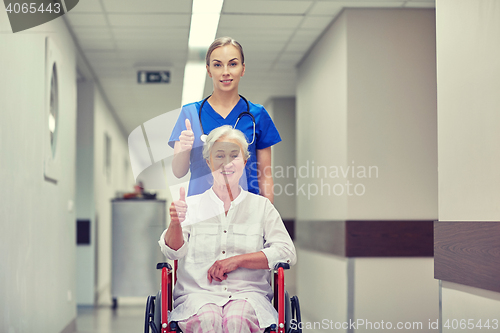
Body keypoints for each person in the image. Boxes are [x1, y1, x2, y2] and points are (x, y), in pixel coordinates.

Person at [159, 126, 296, 333]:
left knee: (236, 320)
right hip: (198, 296)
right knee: (208, 320)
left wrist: (237, 260)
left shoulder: (262, 207)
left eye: (234, 155)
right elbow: (172, 251)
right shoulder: (191, 205)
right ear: (208, 162)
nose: (227, 162)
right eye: (219, 155)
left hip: (249, 296)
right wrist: (176, 223)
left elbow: (287, 253)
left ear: (245, 161)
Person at [169, 36, 281, 203]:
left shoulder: (258, 115)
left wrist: (267, 217)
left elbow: (265, 175)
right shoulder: (190, 113)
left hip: (247, 212)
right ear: (209, 70)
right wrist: (184, 149)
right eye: (217, 65)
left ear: (243, 69)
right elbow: (178, 172)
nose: (225, 72)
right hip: (202, 212)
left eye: (233, 64)